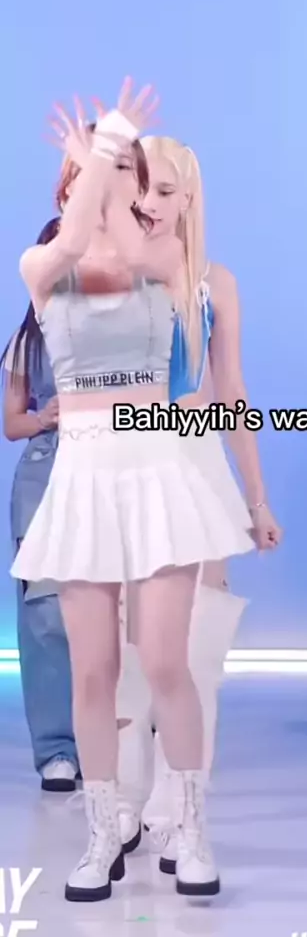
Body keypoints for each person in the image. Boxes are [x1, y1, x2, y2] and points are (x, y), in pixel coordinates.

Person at [11, 78, 274, 904]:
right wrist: (102, 148)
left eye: (119, 174)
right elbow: (75, 237)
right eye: (85, 175)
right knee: (93, 672)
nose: (101, 187)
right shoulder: (43, 268)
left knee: (165, 662)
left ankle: (189, 828)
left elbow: (138, 248)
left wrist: (112, 150)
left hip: (160, 470)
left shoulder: (161, 265)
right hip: (83, 476)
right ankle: (102, 833)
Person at [113, 135, 282, 871]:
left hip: (196, 467)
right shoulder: (109, 272)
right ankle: (123, 805)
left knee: (198, 654)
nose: (149, 203)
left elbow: (231, 391)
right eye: (141, 186)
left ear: (189, 199)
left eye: (164, 190)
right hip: (121, 471)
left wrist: (257, 498)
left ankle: (182, 815)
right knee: (127, 658)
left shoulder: (215, 283)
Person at [1, 217, 79, 793]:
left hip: (106, 471)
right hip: (43, 475)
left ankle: (116, 741)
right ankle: (57, 750)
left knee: (110, 611)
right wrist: (45, 417)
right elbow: (12, 423)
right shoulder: (27, 340)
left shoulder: (120, 324)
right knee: (46, 615)